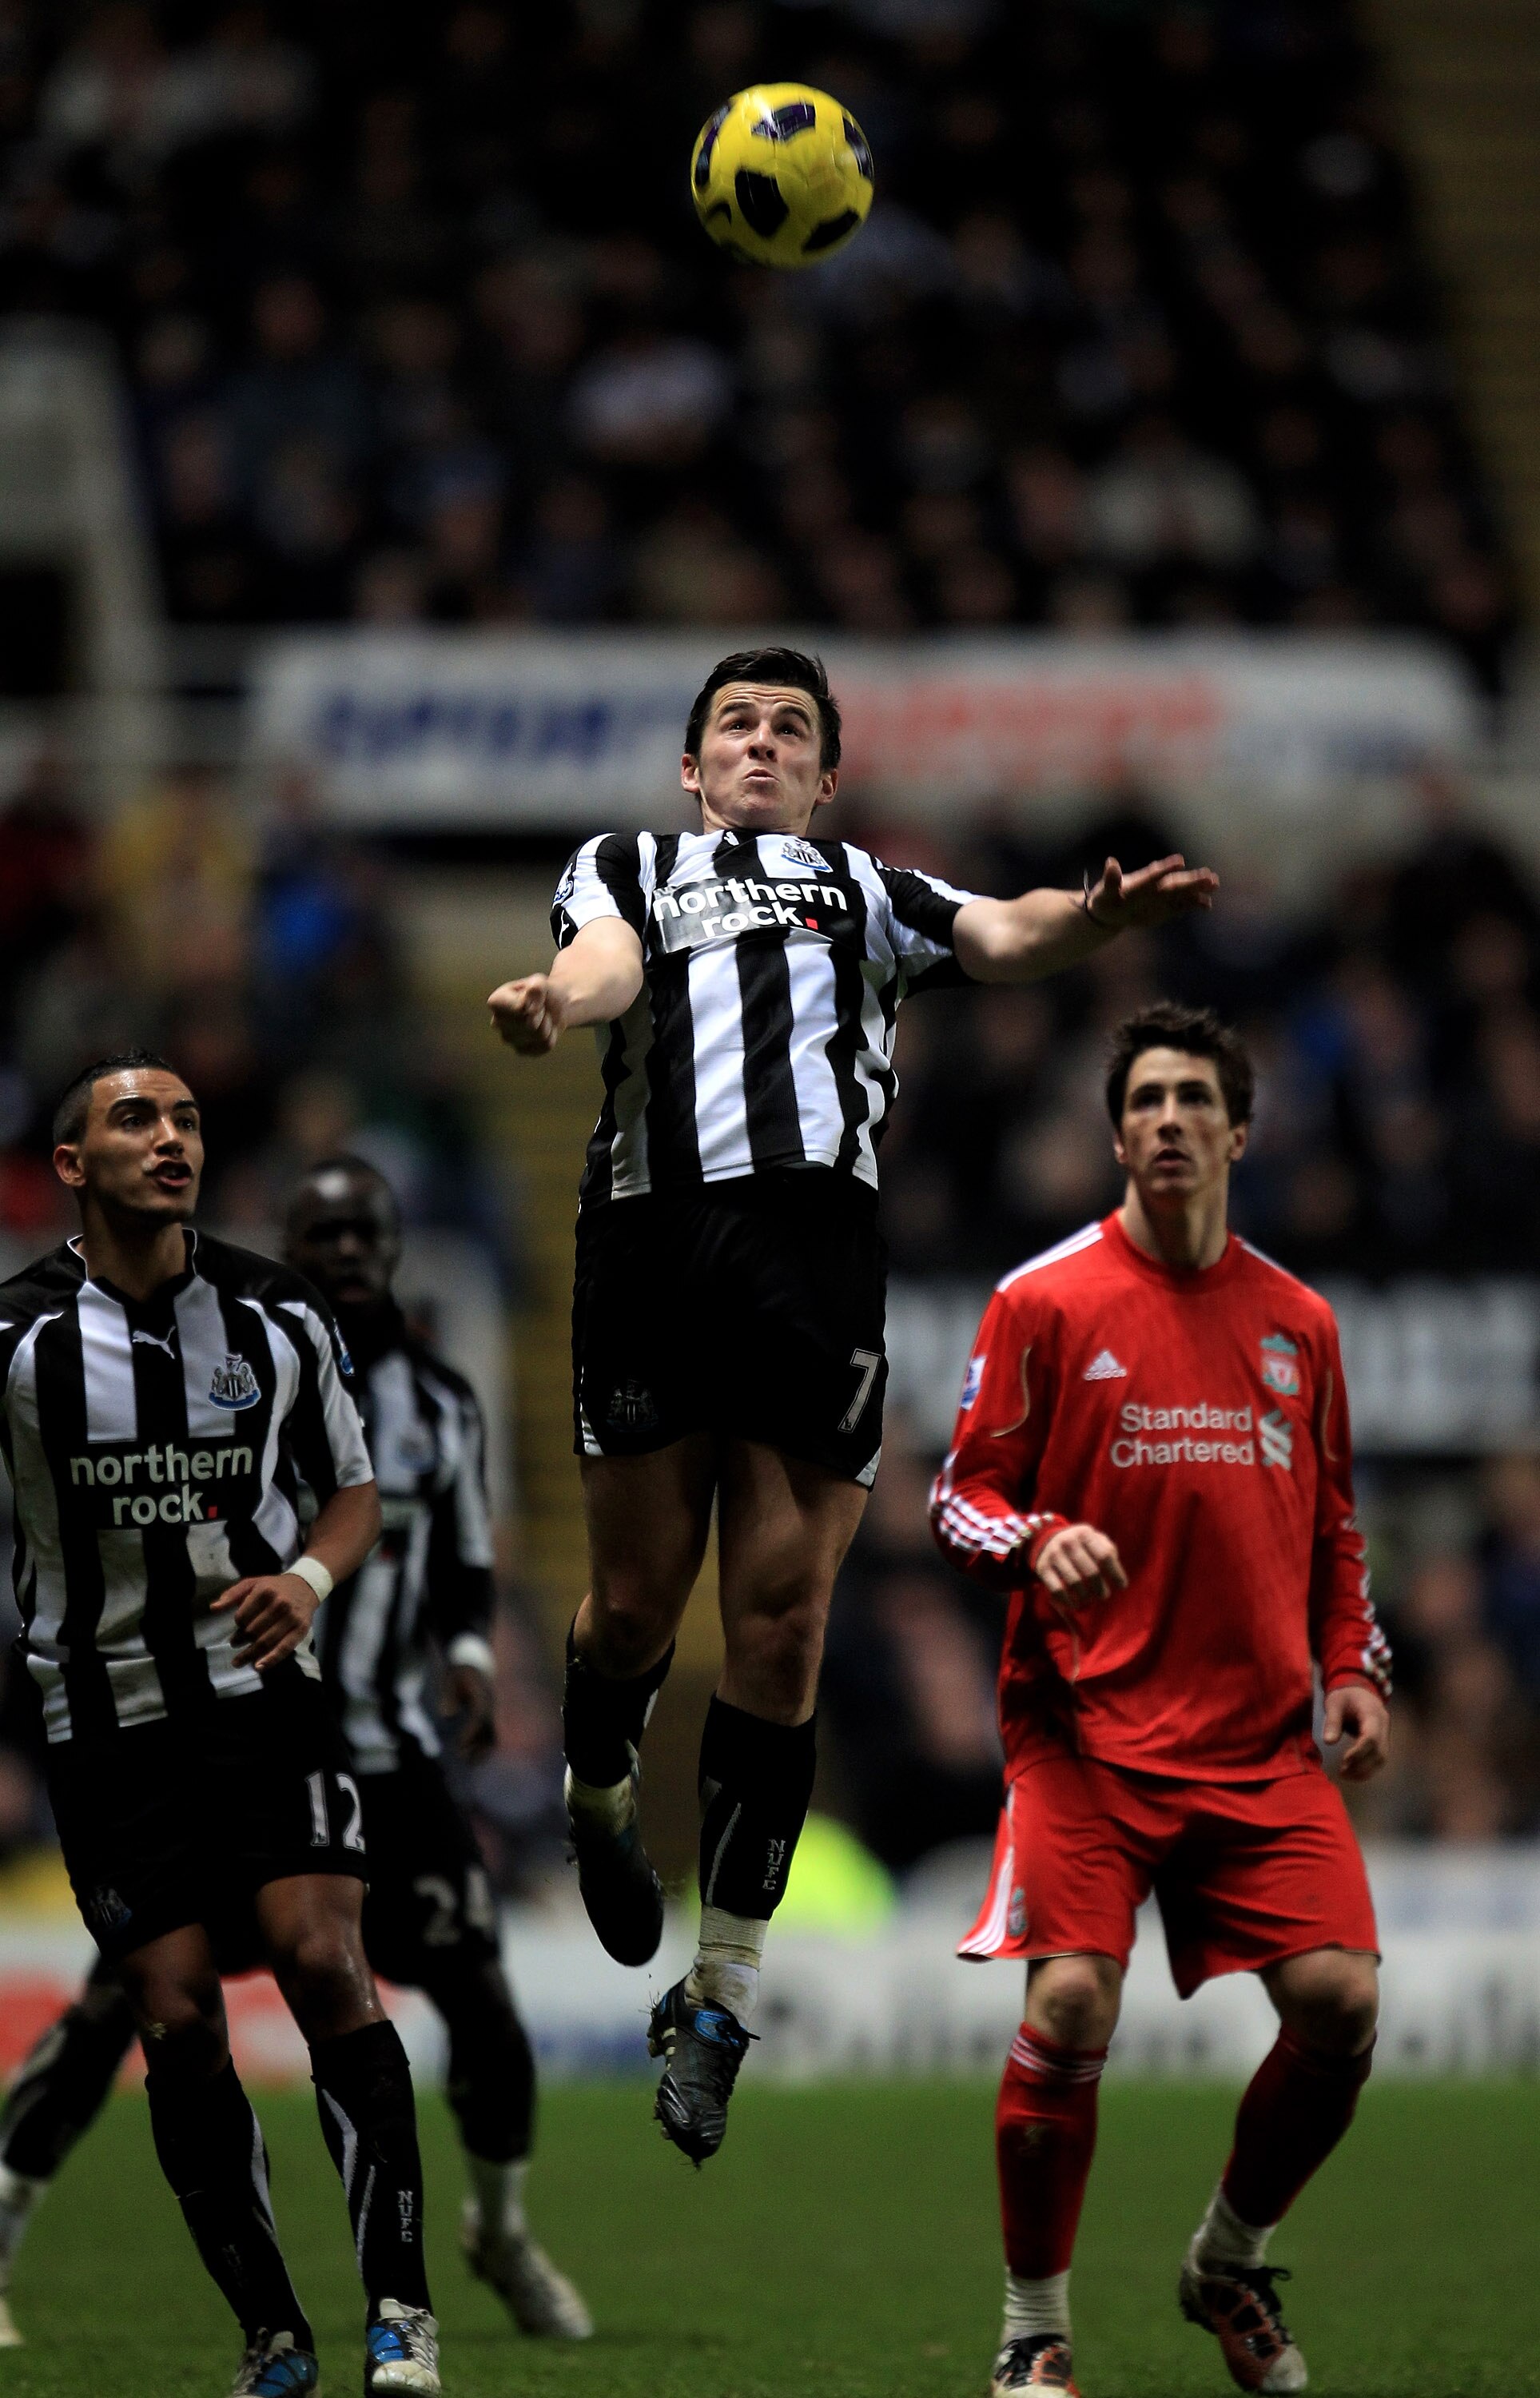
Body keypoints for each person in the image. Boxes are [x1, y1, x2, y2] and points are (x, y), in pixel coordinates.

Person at [487, 645, 1218, 2164]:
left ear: (828, 778)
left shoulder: (871, 891)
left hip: (817, 1253)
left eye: (792, 730)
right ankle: (598, 1787)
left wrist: (1096, 918)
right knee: (633, 1606)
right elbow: (610, 961)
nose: (763, 744)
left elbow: (1006, 935)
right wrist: (559, 997)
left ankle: (721, 1993)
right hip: (650, 1242)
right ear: (694, 769)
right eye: (737, 726)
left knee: (785, 1621)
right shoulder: (625, 862)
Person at [0, 1156, 591, 2350]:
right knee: (140, 1996)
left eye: (368, 1233)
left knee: (475, 1989)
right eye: (325, 1235)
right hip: (243, 1721)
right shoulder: (242, 1352)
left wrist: (473, 1653)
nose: (350, 1255)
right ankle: (10, 2216)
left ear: (392, 1246)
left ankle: (501, 2231)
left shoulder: (437, 1397)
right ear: (295, 1245)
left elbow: (470, 1556)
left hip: (385, 1743)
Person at [929, 1001, 1392, 2398]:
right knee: (1069, 2007)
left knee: (1344, 2007)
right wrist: (1033, 1539)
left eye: (1196, 1098)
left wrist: (1357, 1669)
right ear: (1117, 1132)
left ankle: (1228, 2260)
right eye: (1146, 1102)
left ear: (1240, 1131)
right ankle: (1032, 2332)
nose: (1171, 1121)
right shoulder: (1045, 1302)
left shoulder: (1299, 1323)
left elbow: (1337, 1534)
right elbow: (959, 1496)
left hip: (1256, 1742)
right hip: (1084, 1734)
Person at [0, 1051, 440, 2398]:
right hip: (104, 1720)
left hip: (264, 1702)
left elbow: (354, 1494)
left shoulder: (276, 1312)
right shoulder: (16, 1340)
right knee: (176, 2013)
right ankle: (273, 2332)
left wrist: (305, 1580)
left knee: (323, 1956)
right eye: (135, 1118)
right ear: (73, 1165)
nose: (170, 1137)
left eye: (185, 1117)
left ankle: (401, 2315)